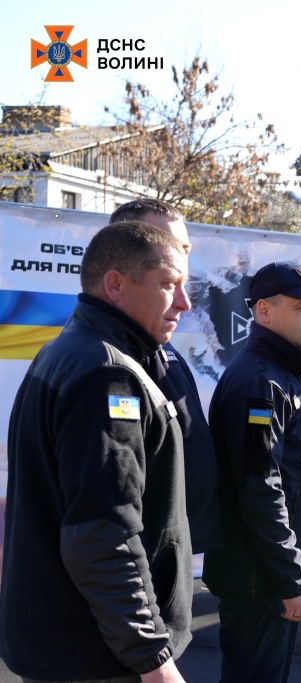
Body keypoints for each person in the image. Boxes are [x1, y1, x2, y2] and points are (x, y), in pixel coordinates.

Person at [0, 222, 193, 682]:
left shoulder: (73, 351)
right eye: (169, 284)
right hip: (98, 656)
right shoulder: (107, 374)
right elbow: (104, 533)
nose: (184, 303)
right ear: (115, 285)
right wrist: (152, 656)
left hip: (77, 645)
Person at [203, 261, 301, 682]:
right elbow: (260, 490)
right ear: (264, 310)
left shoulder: (279, 373)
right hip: (258, 578)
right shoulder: (260, 382)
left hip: (263, 574)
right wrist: (289, 577)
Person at [110, 197, 222, 554]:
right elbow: (109, 516)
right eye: (167, 243)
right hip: (144, 564)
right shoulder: (107, 362)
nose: (179, 255)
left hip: (177, 551)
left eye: (184, 248)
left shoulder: (157, 343)